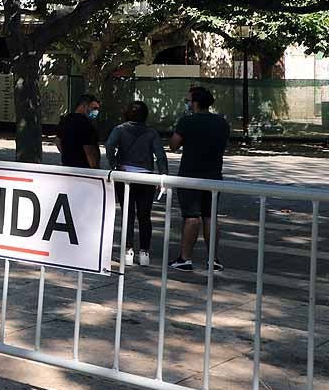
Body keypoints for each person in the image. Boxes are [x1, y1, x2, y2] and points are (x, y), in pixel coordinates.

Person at [169, 86, 230, 272]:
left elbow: (173, 145)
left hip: (190, 176)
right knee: (210, 217)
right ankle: (214, 259)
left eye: (188, 100)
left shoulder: (187, 121)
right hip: (213, 175)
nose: (187, 103)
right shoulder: (221, 122)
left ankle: (185, 258)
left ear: (195, 103)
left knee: (191, 217)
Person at [105, 101, 169, 267]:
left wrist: (114, 165)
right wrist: (163, 176)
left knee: (128, 214)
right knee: (144, 216)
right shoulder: (151, 132)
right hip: (146, 177)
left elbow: (109, 146)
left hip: (125, 174)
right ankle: (144, 253)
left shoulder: (120, 129)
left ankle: (128, 251)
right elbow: (161, 156)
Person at [56, 94, 101, 170]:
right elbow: (90, 152)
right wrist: (96, 169)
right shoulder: (86, 124)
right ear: (84, 106)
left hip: (67, 167)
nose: (96, 112)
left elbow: (58, 142)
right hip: (84, 170)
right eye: (94, 108)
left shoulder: (65, 120)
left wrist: (68, 155)